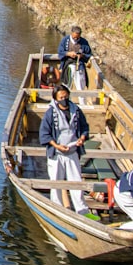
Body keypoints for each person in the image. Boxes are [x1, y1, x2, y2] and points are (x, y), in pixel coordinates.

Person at [38, 84, 94, 218]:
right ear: (56, 99)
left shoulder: (76, 110)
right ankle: (56, 209)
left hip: (73, 151)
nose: (64, 99)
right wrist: (56, 146)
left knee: (76, 182)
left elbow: (84, 127)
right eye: (61, 97)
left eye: (65, 96)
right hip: (57, 153)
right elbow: (44, 134)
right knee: (56, 182)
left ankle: (82, 211)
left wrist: (82, 138)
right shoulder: (50, 113)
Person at [58, 25, 91, 90]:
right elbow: (60, 51)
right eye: (74, 37)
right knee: (67, 85)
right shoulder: (65, 40)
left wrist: (82, 55)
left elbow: (89, 54)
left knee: (80, 86)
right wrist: (68, 53)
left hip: (79, 64)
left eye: (77, 38)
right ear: (71, 33)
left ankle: (81, 98)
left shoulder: (84, 42)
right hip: (68, 63)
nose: (76, 39)